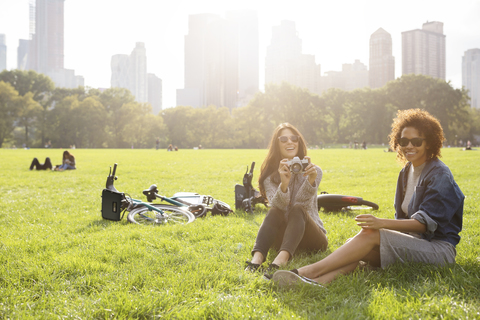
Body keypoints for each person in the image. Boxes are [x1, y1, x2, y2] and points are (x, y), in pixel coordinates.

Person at [270, 109, 464, 287]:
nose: (409, 146)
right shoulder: (406, 172)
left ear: (429, 142)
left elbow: (424, 225)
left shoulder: (439, 175)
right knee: (353, 248)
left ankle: (304, 272)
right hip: (412, 243)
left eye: (417, 141)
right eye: (404, 142)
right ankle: (318, 282)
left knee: (370, 235)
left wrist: (379, 223)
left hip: (437, 250)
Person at [245, 123, 328, 273]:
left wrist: (310, 181)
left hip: (312, 237)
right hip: (284, 238)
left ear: (299, 142)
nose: (289, 142)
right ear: (277, 145)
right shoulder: (270, 177)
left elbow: (301, 206)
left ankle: (281, 260)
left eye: (294, 138)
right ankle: (256, 259)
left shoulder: (314, 171)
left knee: (297, 209)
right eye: (283, 139)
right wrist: (284, 184)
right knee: (274, 211)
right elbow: (279, 207)